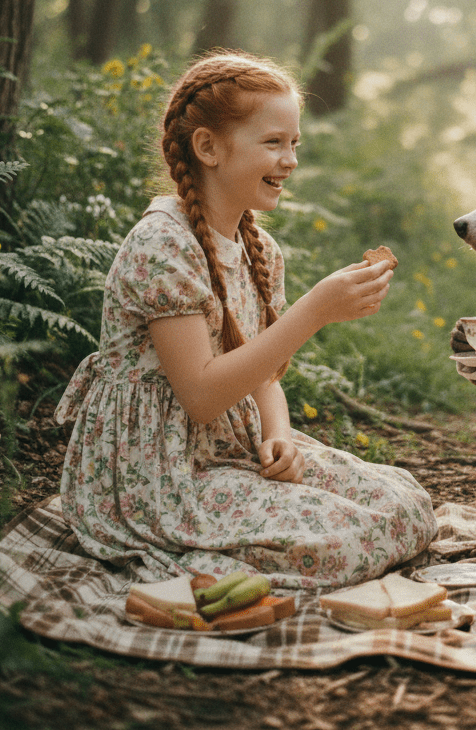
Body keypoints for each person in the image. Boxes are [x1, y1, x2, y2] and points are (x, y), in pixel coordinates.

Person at [54, 51, 437, 589]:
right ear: (208, 147)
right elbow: (203, 396)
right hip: (162, 474)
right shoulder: (163, 245)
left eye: (294, 144)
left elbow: (262, 377)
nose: (291, 161)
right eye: (273, 143)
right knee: (352, 538)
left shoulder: (259, 248)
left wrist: (279, 434)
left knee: (407, 503)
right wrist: (315, 311)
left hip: (232, 449)